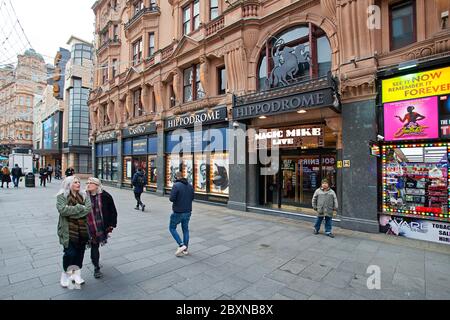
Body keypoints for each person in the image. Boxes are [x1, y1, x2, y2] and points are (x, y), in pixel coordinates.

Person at [56, 176, 92, 287]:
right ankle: (65, 275)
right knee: (70, 254)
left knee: (80, 253)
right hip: (68, 230)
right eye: (75, 182)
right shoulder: (61, 196)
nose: (78, 184)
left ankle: (76, 274)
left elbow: (88, 209)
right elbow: (62, 210)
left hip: (82, 231)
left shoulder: (84, 195)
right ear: (69, 184)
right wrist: (79, 207)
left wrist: (73, 212)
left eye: (79, 182)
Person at [85, 178, 118, 279]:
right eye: (87, 183)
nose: (88, 184)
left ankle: (96, 267)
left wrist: (112, 224)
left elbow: (113, 210)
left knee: (95, 246)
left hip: (100, 226)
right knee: (91, 245)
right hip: (87, 226)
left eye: (91, 183)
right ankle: (94, 265)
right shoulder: (83, 196)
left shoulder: (105, 196)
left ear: (97, 185)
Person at [169, 171, 194, 257]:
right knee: (185, 229)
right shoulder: (190, 186)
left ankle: (181, 245)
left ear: (176, 177)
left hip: (178, 211)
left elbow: (171, 199)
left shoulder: (176, 186)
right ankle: (185, 249)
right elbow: (192, 198)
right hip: (188, 211)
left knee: (172, 228)